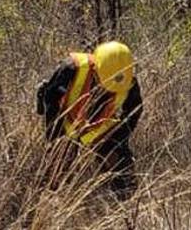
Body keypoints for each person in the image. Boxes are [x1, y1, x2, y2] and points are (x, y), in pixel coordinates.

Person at [37, 41, 143, 198]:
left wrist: (119, 139)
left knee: (123, 170)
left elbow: (134, 110)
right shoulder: (72, 68)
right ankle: (52, 200)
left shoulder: (127, 80)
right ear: (96, 68)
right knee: (56, 171)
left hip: (99, 127)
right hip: (66, 123)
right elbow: (49, 99)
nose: (108, 89)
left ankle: (125, 203)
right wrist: (57, 137)